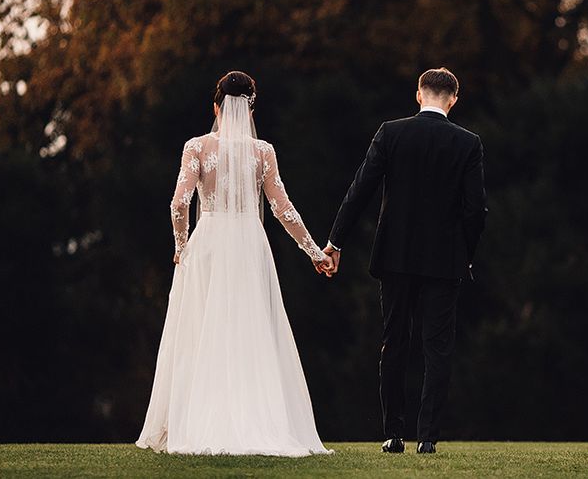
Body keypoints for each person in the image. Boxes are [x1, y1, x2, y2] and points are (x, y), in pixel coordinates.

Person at [136, 71, 334, 456]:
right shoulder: (264, 152)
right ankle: (256, 420)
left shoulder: (196, 147)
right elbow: (282, 209)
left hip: (208, 243)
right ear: (251, 108)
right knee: (251, 332)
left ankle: (196, 420)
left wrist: (180, 246)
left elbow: (179, 203)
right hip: (249, 245)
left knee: (198, 331)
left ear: (216, 106)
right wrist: (315, 252)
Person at [323, 67, 487, 454]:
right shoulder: (468, 143)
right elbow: (475, 211)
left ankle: (393, 434)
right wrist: (465, 255)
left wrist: (335, 241)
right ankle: (427, 438)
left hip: (394, 256)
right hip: (444, 261)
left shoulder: (391, 132)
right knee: (438, 348)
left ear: (418, 95)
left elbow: (360, 188)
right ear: (453, 100)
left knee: (394, 342)